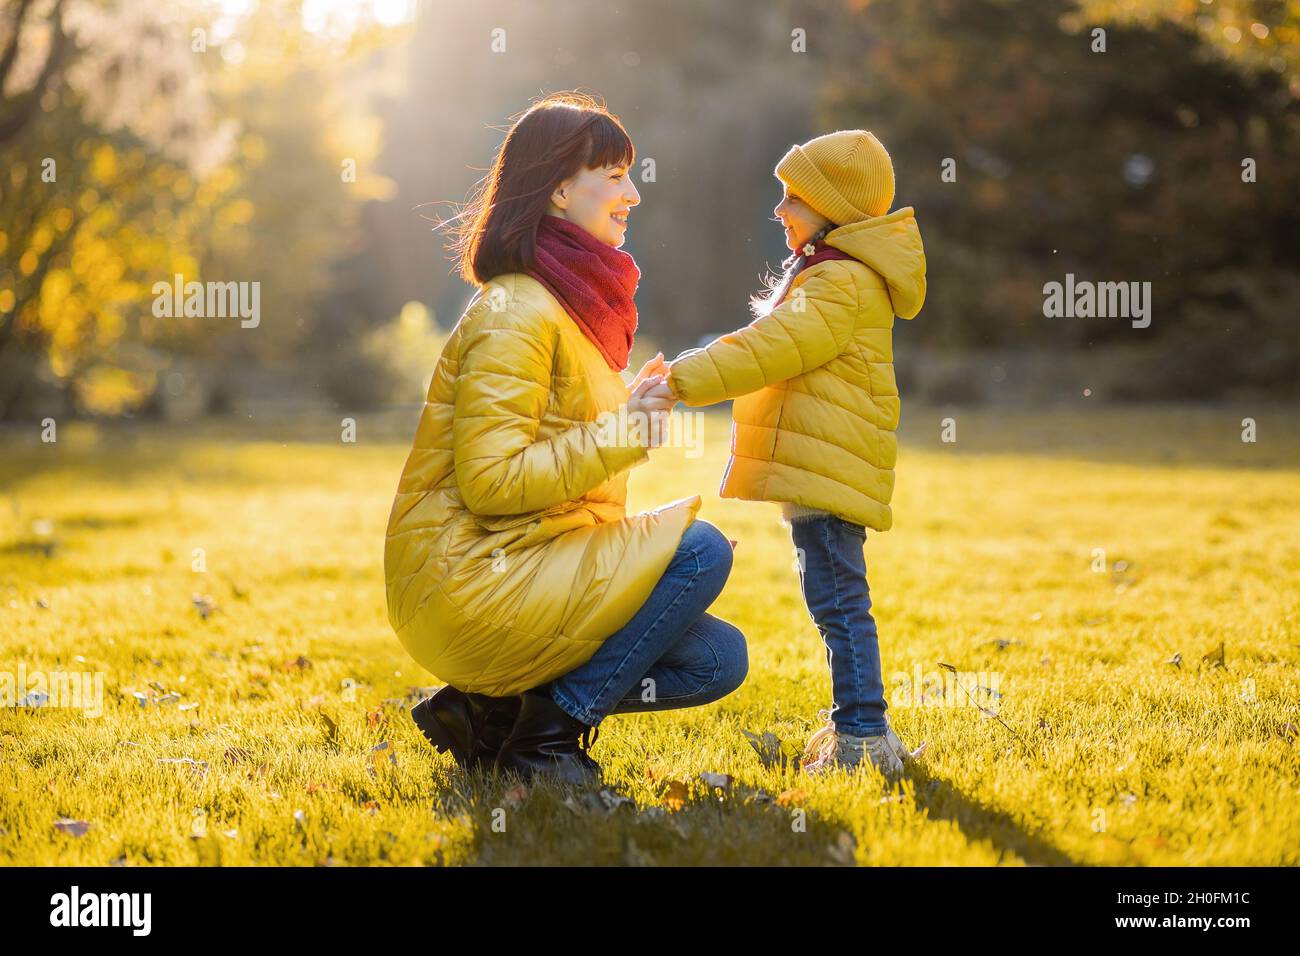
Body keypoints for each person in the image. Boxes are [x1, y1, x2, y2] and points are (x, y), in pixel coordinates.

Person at [383, 93, 747, 786]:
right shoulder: (516, 311)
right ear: (555, 190)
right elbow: (493, 486)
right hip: (467, 581)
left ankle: (485, 718)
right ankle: (544, 745)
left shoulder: (566, 311)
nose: (632, 194)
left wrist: (628, 422)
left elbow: (563, 474)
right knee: (698, 552)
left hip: (526, 563)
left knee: (716, 659)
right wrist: (624, 437)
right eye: (611, 174)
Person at [660, 129, 927, 777]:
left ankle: (864, 736)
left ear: (831, 209)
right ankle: (859, 728)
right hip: (821, 469)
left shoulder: (839, 283)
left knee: (839, 604)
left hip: (827, 473)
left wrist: (677, 380)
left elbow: (769, 347)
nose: (778, 210)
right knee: (834, 602)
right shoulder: (832, 275)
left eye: (793, 199)